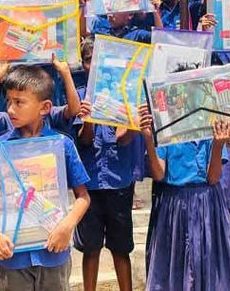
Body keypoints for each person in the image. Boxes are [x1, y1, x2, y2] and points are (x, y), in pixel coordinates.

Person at [0, 65, 92, 290]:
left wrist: (67, 226)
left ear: (45, 107)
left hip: (53, 252)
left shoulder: (62, 145)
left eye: (19, 102)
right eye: (8, 101)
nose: (10, 109)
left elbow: (83, 197)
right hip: (12, 255)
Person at [138, 104, 230, 290]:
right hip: (174, 206)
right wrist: (148, 139)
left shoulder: (211, 126)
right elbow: (159, 175)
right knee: (174, 266)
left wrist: (218, 146)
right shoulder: (165, 128)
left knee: (208, 263)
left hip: (207, 204)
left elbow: (213, 177)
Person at [73, 60, 145, 291]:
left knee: (121, 247)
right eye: (88, 61)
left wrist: (134, 122)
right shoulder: (80, 96)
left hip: (119, 181)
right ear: (84, 65)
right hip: (90, 184)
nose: (94, 67)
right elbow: (84, 139)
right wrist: (89, 120)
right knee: (91, 248)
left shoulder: (124, 97)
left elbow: (123, 139)